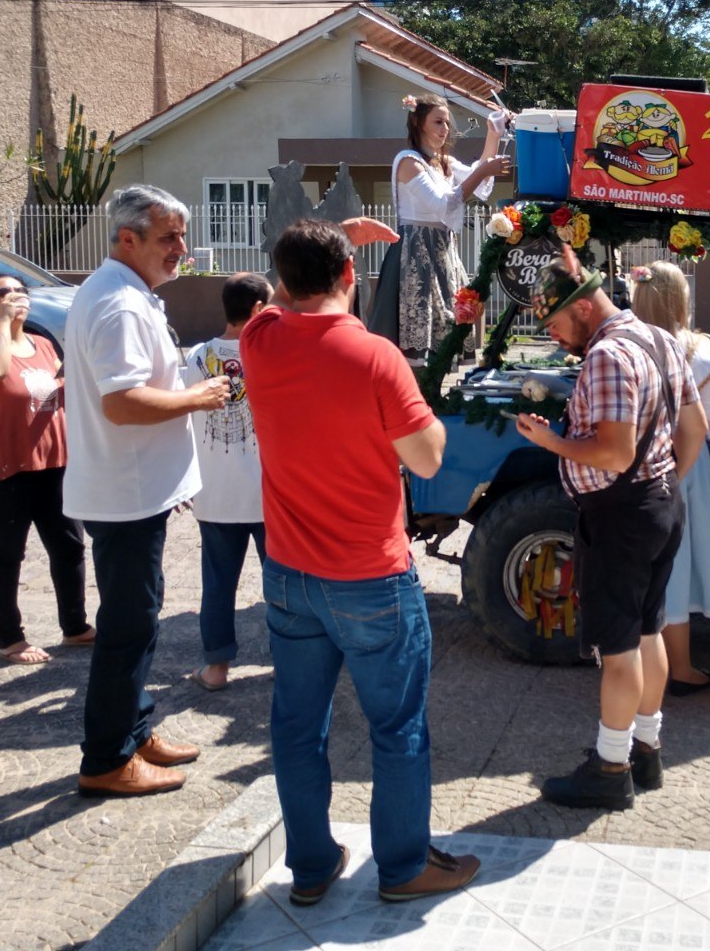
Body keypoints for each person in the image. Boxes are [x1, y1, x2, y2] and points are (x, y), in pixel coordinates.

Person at [242, 218, 483, 906]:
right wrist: (428, 416)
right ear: (352, 275)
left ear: (285, 282)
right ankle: (404, 867)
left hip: (289, 575)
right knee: (397, 725)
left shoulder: (259, 341)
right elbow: (427, 457)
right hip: (370, 575)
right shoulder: (378, 358)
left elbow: (269, 299)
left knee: (295, 725)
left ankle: (313, 867)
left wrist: (318, 244)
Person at [516, 248, 707, 810]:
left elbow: (615, 452)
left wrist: (550, 440)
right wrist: (665, 485)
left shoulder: (605, 356)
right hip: (660, 506)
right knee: (649, 632)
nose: (555, 338)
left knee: (620, 648)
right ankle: (646, 753)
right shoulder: (659, 338)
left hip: (622, 518)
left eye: (554, 324)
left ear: (580, 308)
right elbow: (693, 426)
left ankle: (609, 768)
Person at [64, 185, 232, 799]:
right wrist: (198, 397)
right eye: (169, 238)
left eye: (182, 236)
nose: (181, 250)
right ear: (127, 239)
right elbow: (123, 401)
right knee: (127, 629)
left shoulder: (126, 293)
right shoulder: (120, 304)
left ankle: (132, 733)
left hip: (135, 490)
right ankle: (107, 759)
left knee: (138, 620)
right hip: (124, 495)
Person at [0, 272, 94, 666]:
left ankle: (75, 626)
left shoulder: (45, 345)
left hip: (53, 464)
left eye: (21, 291)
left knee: (69, 547)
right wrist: (1, 323)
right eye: (4, 293)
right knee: (6, 553)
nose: (16, 297)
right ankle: (10, 639)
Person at [627, 261, 710, 696]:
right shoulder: (701, 353)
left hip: (638, 462)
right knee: (680, 562)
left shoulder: (625, 343)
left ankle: (635, 661)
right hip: (685, 463)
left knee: (643, 564)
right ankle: (680, 666)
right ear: (680, 301)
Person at [367, 93, 511, 362]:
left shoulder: (442, 162)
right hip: (415, 253)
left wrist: (493, 135)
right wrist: (483, 171)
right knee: (417, 325)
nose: (445, 129)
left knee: (445, 324)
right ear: (419, 123)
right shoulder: (409, 162)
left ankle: (434, 392)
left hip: (442, 250)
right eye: (438, 122)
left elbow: (476, 183)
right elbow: (442, 205)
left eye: (447, 123)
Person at [180, 272, 271, 692]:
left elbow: (177, 422)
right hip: (270, 494)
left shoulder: (196, 357)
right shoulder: (272, 351)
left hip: (214, 492)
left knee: (218, 583)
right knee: (283, 583)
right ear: (256, 310)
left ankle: (216, 668)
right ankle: (290, 662)